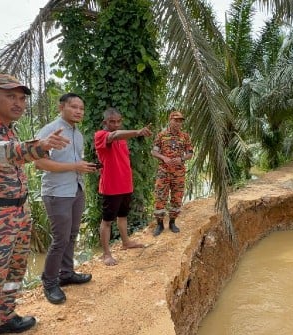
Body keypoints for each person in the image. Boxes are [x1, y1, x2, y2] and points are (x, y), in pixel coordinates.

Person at [0, 74, 70, 335]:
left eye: (21, 98)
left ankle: (2, 319)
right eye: (10, 96)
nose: (18, 103)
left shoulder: (9, 129)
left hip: (17, 212)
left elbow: (12, 150)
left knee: (13, 271)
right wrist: (38, 146)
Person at [35, 93, 96, 305]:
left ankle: (67, 273)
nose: (79, 111)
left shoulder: (78, 134)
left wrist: (83, 166)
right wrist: (74, 166)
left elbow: (74, 161)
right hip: (57, 192)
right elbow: (39, 164)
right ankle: (50, 283)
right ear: (61, 107)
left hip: (76, 189)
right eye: (74, 106)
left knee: (72, 234)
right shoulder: (50, 131)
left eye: (81, 108)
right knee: (60, 239)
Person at [94, 107, 153, 266]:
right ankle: (106, 254)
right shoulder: (101, 135)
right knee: (107, 221)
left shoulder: (123, 138)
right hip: (111, 186)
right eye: (112, 122)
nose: (116, 124)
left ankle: (126, 242)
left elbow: (119, 137)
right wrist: (138, 132)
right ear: (105, 122)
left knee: (123, 216)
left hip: (126, 184)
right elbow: (114, 135)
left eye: (119, 121)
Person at [150, 111, 194, 236]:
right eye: (176, 120)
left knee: (177, 198)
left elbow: (190, 153)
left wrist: (182, 159)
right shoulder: (161, 135)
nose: (178, 123)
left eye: (180, 121)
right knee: (160, 197)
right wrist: (164, 158)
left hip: (178, 173)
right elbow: (154, 152)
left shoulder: (185, 136)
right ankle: (159, 225)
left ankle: (172, 222)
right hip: (163, 172)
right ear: (170, 120)